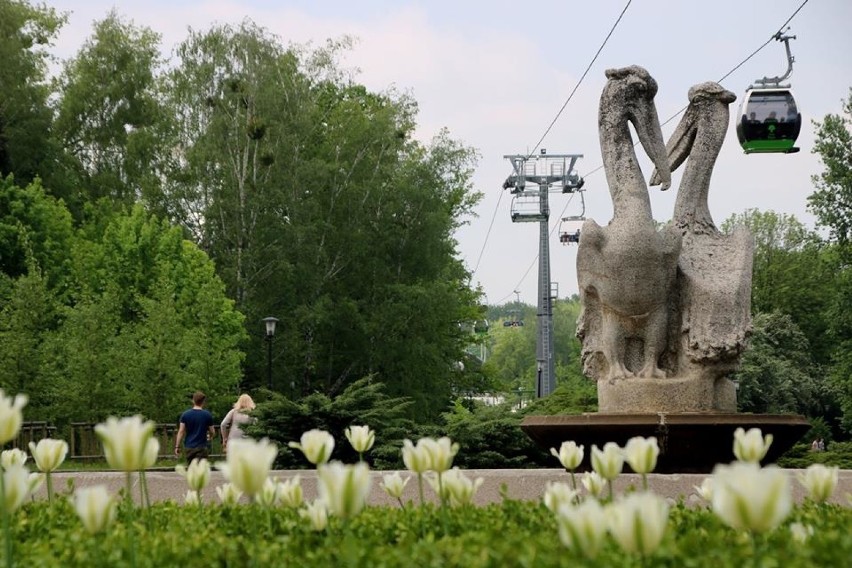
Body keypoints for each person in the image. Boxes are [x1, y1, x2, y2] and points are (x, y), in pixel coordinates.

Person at [175, 391, 215, 462]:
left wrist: (177, 446)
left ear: (193, 400)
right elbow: (212, 431)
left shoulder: (185, 415)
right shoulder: (207, 415)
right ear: (203, 401)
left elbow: (181, 431)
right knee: (200, 469)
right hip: (202, 446)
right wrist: (210, 437)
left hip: (189, 446)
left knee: (191, 468)